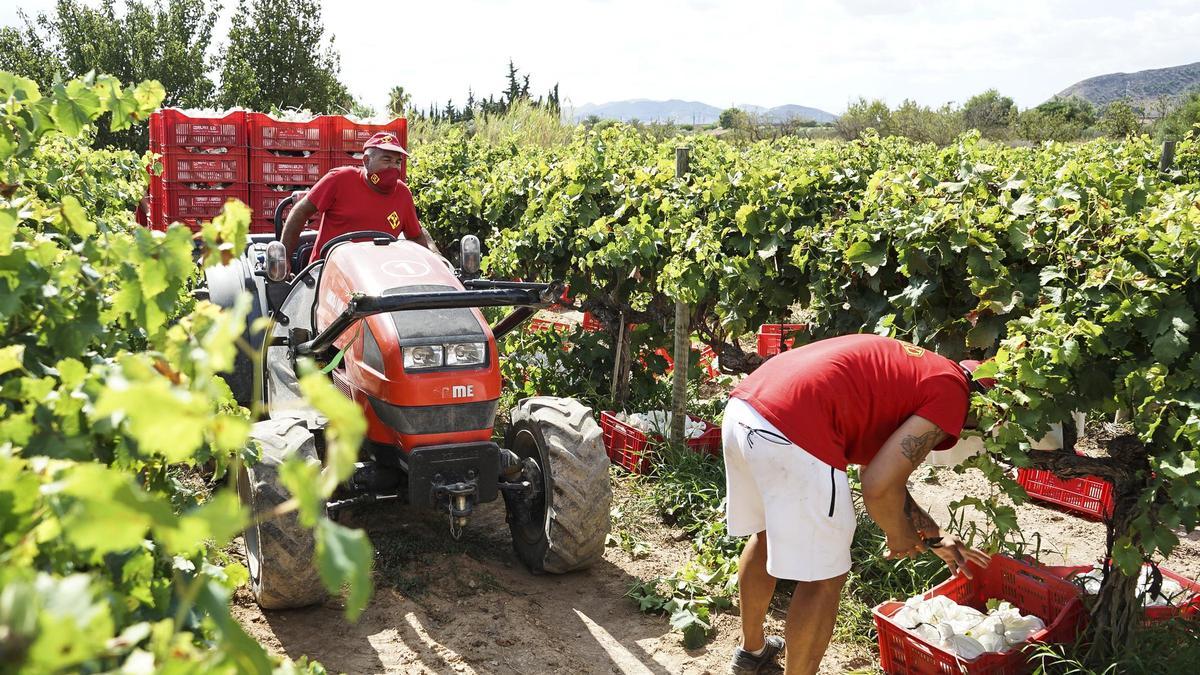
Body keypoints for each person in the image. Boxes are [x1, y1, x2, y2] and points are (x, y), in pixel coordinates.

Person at [722, 333, 993, 675]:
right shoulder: (954, 395)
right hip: (793, 430)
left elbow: (881, 470)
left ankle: (752, 654)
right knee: (824, 578)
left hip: (745, 409)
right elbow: (878, 486)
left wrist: (934, 536)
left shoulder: (926, 372)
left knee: (766, 534)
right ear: (984, 406)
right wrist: (897, 534)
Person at [281, 131, 438, 266]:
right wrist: (284, 258)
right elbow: (300, 212)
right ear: (366, 161)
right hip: (329, 270)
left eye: (398, 162)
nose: (394, 167)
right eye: (387, 160)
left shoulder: (402, 193)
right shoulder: (340, 179)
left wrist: (438, 261)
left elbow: (416, 235)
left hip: (378, 275)